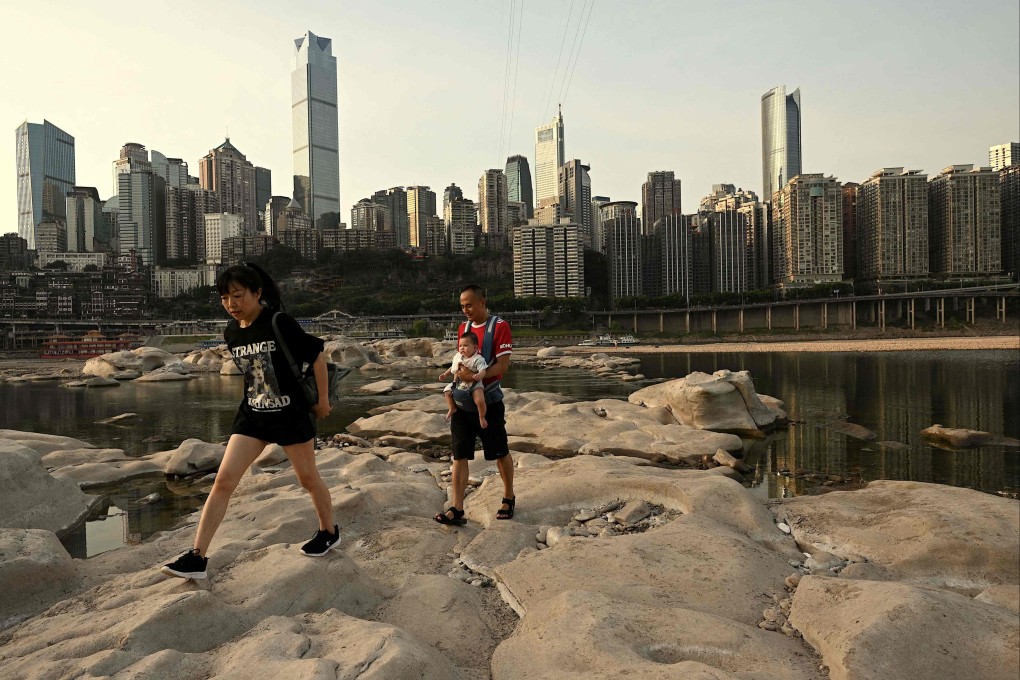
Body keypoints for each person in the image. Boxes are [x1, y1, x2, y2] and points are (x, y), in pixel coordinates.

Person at [160, 263, 339, 580]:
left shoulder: (278, 322)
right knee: (224, 481)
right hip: (253, 415)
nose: (231, 303)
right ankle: (197, 556)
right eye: (225, 297)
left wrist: (322, 400)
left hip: (290, 415)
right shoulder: (231, 333)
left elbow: (316, 355)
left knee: (308, 479)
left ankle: (328, 531)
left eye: (238, 295)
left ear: (257, 294)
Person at [434, 284, 516, 525]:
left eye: (469, 304)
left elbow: (502, 366)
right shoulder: (464, 329)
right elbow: (459, 360)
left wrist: (473, 377)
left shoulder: (499, 327)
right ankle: (457, 508)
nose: (465, 310)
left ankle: (508, 496)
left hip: (488, 401)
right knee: (459, 455)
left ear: (483, 301)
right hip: (461, 404)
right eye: (462, 306)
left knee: (499, 452)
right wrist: (455, 374)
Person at [439, 331, 488, 429]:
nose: (462, 348)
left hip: (474, 383)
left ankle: (482, 417)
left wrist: (479, 375)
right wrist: (445, 374)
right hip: (460, 382)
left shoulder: (478, 359)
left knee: (480, 400)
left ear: (475, 347)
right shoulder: (458, 356)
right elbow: (453, 367)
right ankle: (452, 408)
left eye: (465, 345)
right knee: (447, 392)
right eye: (460, 345)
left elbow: (483, 370)